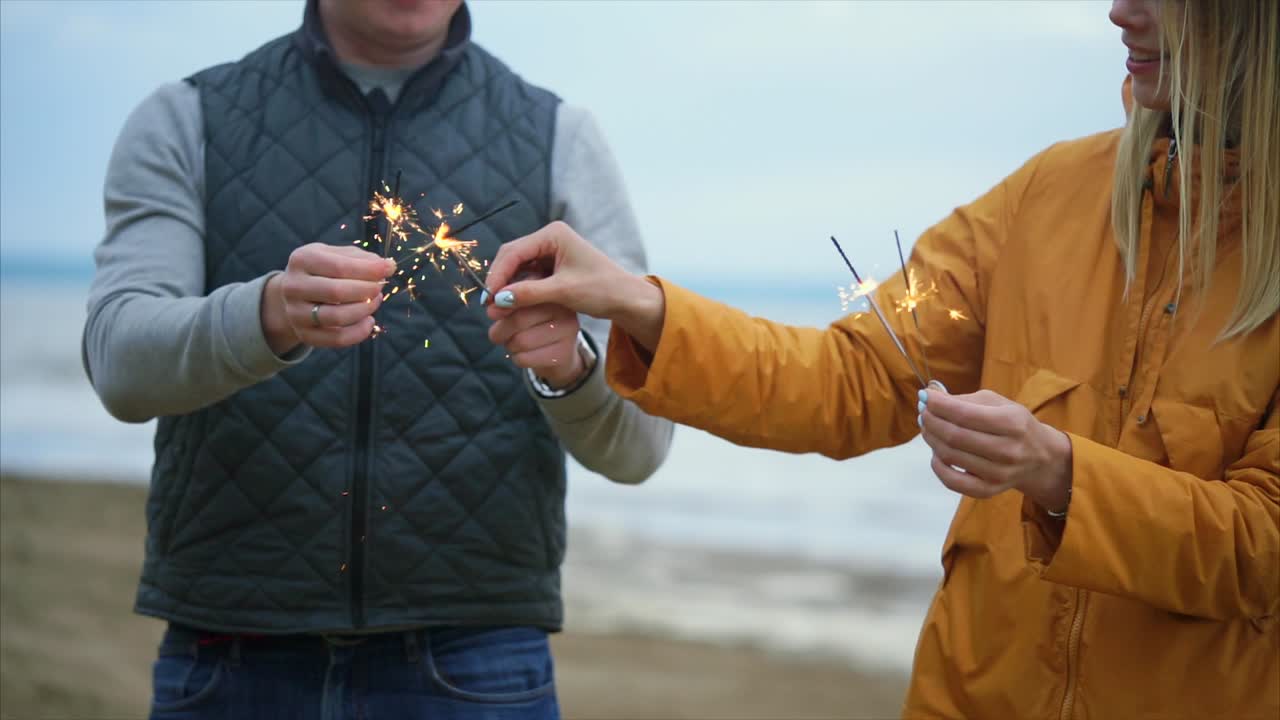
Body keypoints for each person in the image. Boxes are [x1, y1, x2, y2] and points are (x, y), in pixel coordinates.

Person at [482, 0, 1279, 717]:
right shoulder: (1049, 197)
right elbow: (849, 379)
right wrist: (641, 305)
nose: (1119, 13)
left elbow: (1263, 546)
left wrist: (1063, 475)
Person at [82, 0, 673, 717]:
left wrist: (571, 371)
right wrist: (266, 315)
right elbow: (120, 365)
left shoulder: (561, 137)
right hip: (229, 649)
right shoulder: (185, 117)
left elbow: (641, 448)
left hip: (476, 657)